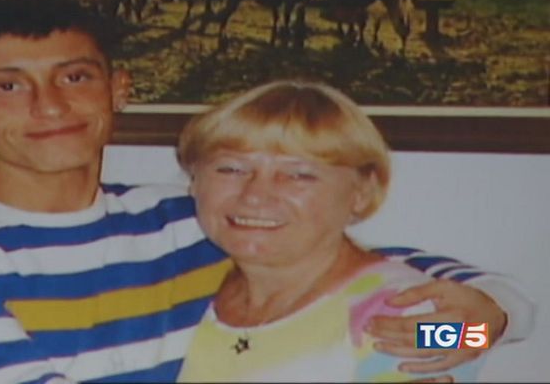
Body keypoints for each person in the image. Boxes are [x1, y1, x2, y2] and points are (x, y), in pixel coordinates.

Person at [0, 0, 534, 384]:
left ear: (118, 90)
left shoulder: (190, 219)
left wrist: (493, 315)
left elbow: (352, 275)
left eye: (75, 77)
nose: (50, 106)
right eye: (7, 86)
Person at [174, 80, 501, 382]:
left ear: (361, 192)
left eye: (299, 175)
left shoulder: (399, 309)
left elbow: (473, 336)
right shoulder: (184, 285)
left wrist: (485, 328)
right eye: (231, 168)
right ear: (195, 181)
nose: (255, 194)